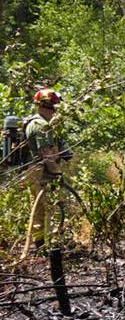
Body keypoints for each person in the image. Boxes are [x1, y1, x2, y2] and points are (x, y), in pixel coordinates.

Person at [22, 88, 70, 256]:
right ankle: (54, 248)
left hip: (34, 172)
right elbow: (47, 155)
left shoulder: (32, 122)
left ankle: (40, 246)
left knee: (39, 211)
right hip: (44, 173)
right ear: (51, 106)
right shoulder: (42, 126)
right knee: (54, 208)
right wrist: (58, 174)